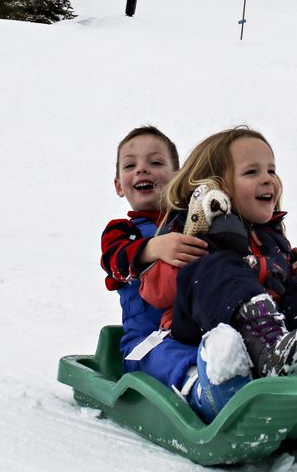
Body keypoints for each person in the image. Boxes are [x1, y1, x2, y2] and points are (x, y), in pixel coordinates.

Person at [143, 126, 297, 415]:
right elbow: (154, 292)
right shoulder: (192, 230)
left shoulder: (272, 239)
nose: (267, 179)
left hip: (277, 339)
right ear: (216, 186)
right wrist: (178, 256)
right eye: (251, 172)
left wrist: (296, 275)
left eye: (271, 171)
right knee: (219, 266)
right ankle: (272, 354)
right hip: (204, 333)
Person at [99, 127, 210, 406]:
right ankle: (200, 386)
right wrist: (153, 248)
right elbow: (114, 261)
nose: (142, 170)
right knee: (162, 356)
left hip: (200, 336)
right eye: (130, 165)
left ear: (178, 176)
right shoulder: (123, 232)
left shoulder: (195, 226)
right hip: (147, 344)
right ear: (118, 185)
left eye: (156, 163)